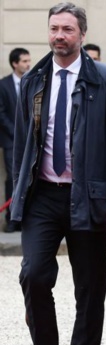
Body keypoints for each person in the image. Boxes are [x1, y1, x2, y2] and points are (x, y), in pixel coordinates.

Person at [10, 2, 106, 345]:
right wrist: (18, 192)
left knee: (89, 290)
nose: (59, 35)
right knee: (33, 276)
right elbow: (19, 144)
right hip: (43, 196)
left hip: (90, 196)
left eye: (67, 29)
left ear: (81, 33)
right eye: (54, 28)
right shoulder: (33, 80)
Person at [0, 47, 30, 232]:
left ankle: (27, 218)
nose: (28, 64)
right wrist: (17, 133)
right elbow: (1, 113)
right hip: (12, 140)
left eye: (29, 60)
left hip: (33, 140)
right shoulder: (3, 85)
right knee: (13, 178)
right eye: (24, 61)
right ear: (15, 64)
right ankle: (12, 219)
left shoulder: (33, 81)